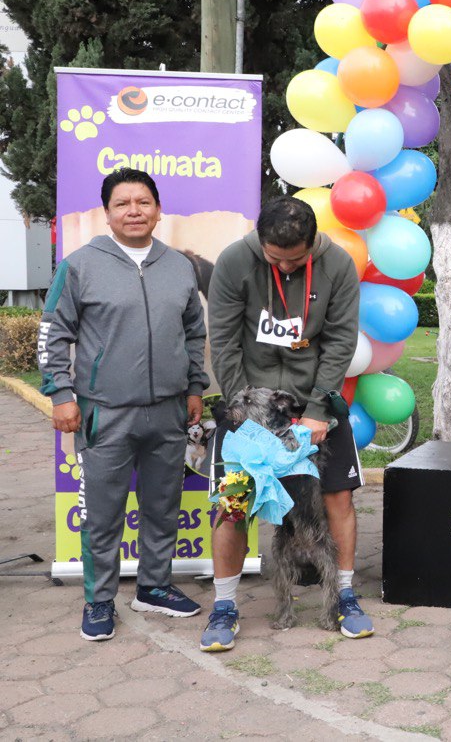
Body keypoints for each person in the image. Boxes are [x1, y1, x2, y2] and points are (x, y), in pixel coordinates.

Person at [39, 168, 209, 641]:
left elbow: (194, 332)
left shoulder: (179, 266)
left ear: (158, 209)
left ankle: (154, 587)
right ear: (107, 213)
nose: (134, 211)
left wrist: (195, 386)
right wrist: (60, 393)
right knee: (104, 511)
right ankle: (98, 601)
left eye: (143, 202)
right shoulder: (79, 266)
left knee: (163, 504)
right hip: (104, 412)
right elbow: (54, 332)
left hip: (169, 410)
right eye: (123, 203)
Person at [200, 196, 369, 650]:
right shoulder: (236, 261)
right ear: (261, 242)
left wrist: (317, 410)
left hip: (313, 406)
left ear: (312, 242)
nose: (287, 265)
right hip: (252, 404)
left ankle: (345, 598)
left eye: (297, 258)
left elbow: (339, 341)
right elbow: (225, 339)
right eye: (276, 258)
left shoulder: (336, 264)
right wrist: (245, 412)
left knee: (337, 497)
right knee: (233, 504)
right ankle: (225, 606)